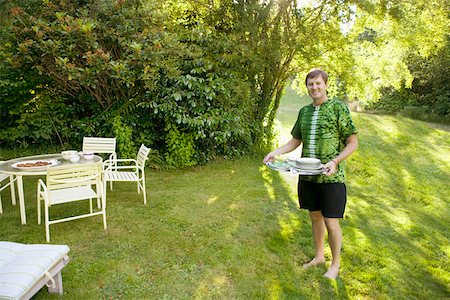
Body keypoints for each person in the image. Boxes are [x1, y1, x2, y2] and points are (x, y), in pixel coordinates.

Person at [263, 68, 358, 279]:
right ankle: (318, 257)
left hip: (331, 176)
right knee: (315, 217)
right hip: (307, 176)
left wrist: (335, 162)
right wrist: (275, 152)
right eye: (310, 84)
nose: (314, 87)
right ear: (307, 87)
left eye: (318, 83)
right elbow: (296, 140)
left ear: (325, 85)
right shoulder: (304, 112)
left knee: (331, 222)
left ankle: (335, 265)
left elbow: (353, 142)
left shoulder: (338, 109)